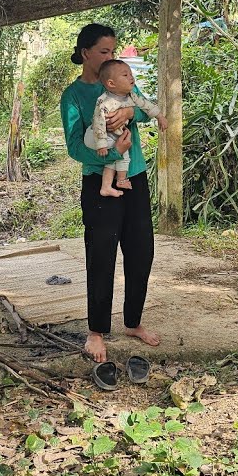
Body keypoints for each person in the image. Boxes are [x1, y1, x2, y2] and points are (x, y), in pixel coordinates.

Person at [59, 24, 162, 364]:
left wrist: (132, 112)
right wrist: (114, 152)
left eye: (113, 50)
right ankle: (96, 332)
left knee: (141, 250)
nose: (110, 57)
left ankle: (133, 322)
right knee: (101, 255)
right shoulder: (73, 96)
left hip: (135, 177)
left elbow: (145, 110)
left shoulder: (121, 78)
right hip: (99, 183)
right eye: (103, 51)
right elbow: (75, 146)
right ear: (85, 53)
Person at [86, 59, 166, 197]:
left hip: (113, 136)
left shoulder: (131, 95)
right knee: (122, 155)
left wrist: (160, 117)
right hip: (95, 136)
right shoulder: (104, 101)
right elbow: (98, 122)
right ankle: (120, 180)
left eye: (130, 74)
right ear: (111, 83)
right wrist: (101, 144)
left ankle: (107, 186)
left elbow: (146, 105)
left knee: (116, 158)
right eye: (125, 75)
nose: (131, 77)